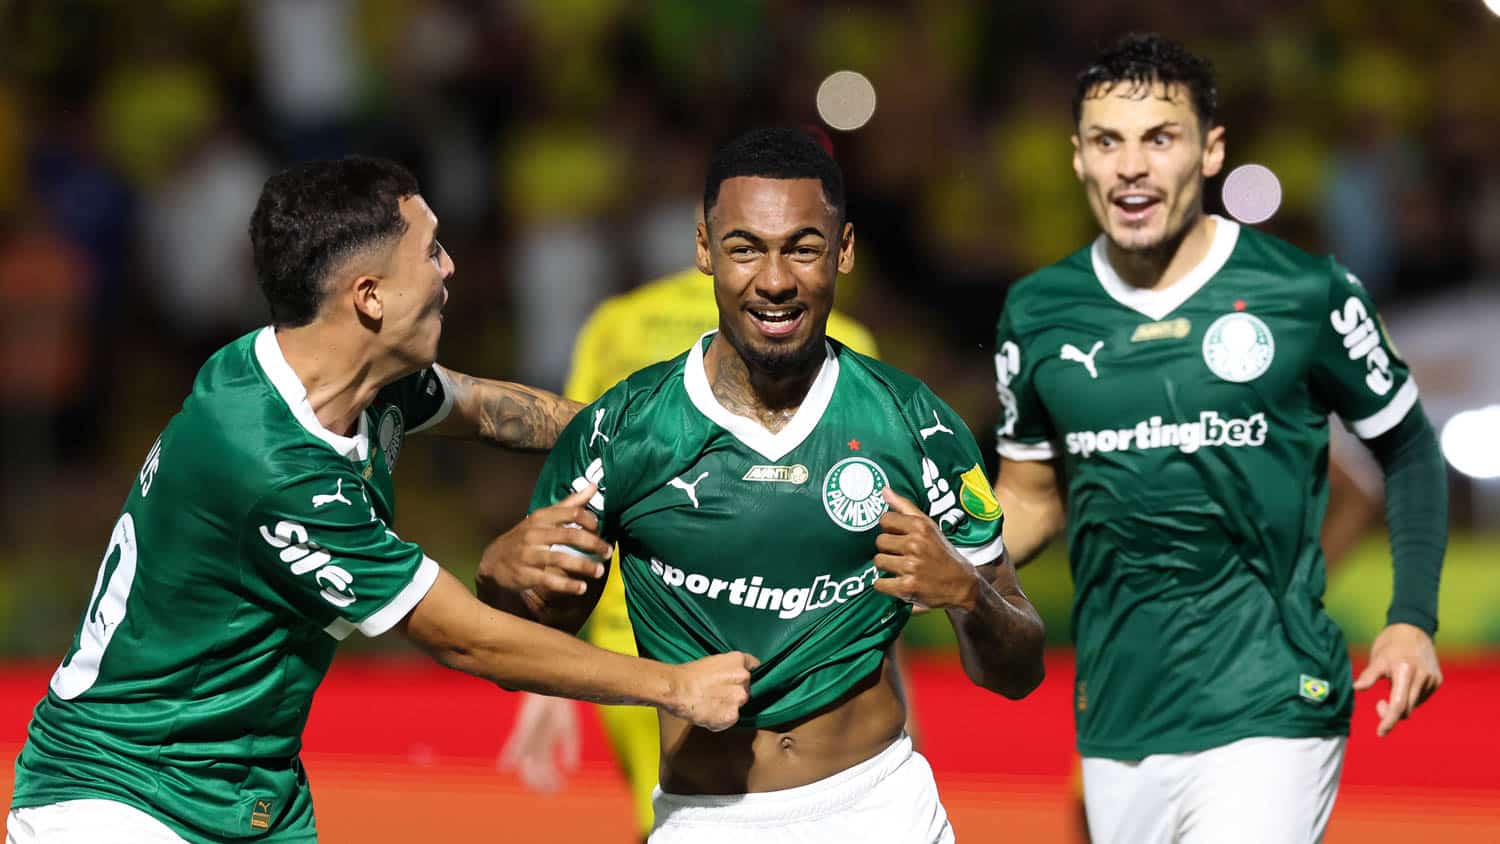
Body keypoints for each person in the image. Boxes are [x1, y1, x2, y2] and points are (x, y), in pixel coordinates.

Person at [6, 157, 755, 844]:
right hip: (122, 797)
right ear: (368, 297)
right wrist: (677, 687)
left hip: (250, 797)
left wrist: (661, 441)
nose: (451, 266)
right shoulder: (273, 463)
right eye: (431, 251)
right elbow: (470, 639)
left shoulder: (349, 375)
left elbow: (485, 408)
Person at [478, 128, 1047, 843]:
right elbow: (523, 645)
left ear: (842, 252)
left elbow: (1018, 670)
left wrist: (968, 593)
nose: (774, 280)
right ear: (704, 250)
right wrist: (498, 574)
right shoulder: (622, 429)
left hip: (881, 809)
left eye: (802, 248)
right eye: (745, 247)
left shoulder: (917, 425)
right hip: (704, 822)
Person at [990, 34, 1447, 844]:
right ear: (1079, 159)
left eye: (1159, 138)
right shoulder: (1037, 313)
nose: (1131, 165)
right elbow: (1028, 497)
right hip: (1116, 716)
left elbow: (1408, 447)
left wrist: (1410, 617)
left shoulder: (1303, 292)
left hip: (1273, 700)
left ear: (1210, 151)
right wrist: (946, 559)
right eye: (1108, 141)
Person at [498, 213, 894, 840]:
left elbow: (579, 490)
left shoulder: (616, 323)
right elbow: (863, 531)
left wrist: (548, 677)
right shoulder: (845, 338)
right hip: (789, 633)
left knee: (680, 814)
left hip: (631, 630)